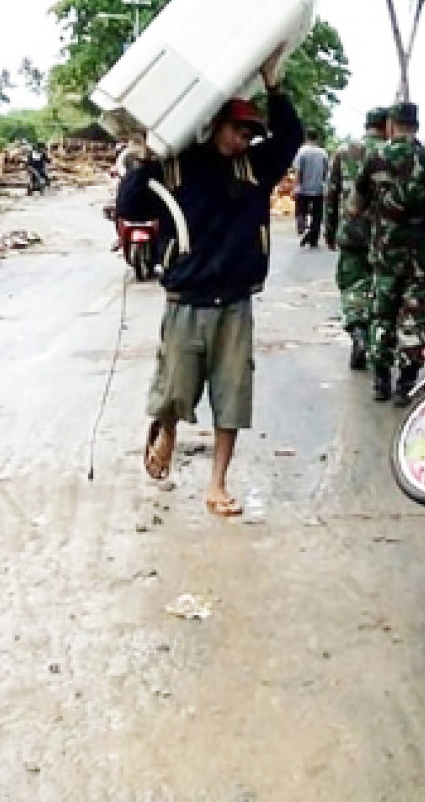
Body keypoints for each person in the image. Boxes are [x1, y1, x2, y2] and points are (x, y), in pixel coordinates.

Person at [142, 56, 302, 517]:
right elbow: (132, 202)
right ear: (215, 126)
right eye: (237, 131)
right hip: (185, 299)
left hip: (234, 303)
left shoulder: (255, 169)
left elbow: (290, 138)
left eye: (250, 134)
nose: (243, 140)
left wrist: (274, 86)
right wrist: (146, 158)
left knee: (232, 395)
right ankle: (167, 430)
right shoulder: (179, 166)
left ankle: (217, 484)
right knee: (174, 388)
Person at [356, 102, 425, 405]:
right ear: (416, 126)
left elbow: (355, 206)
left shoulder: (374, 158)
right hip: (420, 256)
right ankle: (405, 384)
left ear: (391, 124)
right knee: (415, 319)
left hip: (383, 254)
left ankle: (380, 380)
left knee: (382, 313)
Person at [325, 108, 389, 370]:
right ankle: (377, 339)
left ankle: (358, 332)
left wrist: (329, 230)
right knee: (380, 286)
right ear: (386, 126)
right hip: (383, 234)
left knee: (352, 285)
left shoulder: (343, 151)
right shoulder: (389, 153)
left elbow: (331, 193)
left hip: (351, 230)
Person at [292, 130, 331, 249]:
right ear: (317, 138)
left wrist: (296, 187)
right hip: (318, 188)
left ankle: (302, 227)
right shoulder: (323, 153)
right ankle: (313, 238)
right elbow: (326, 171)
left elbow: (298, 171)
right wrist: (326, 187)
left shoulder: (302, 151)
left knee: (301, 211)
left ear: (306, 137)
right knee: (317, 215)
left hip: (304, 188)